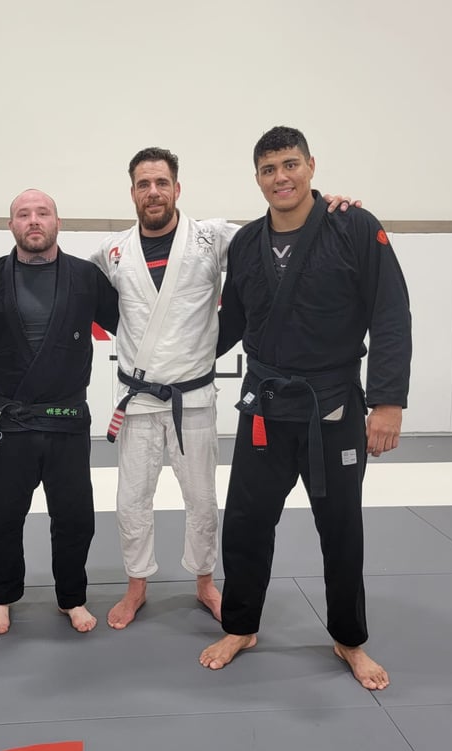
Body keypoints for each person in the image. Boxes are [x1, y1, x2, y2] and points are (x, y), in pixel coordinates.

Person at [91, 148, 356, 630]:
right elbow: (82, 292)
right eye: (144, 184)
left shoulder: (212, 237)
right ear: (132, 192)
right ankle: (136, 586)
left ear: (177, 188)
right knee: (131, 500)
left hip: (193, 399)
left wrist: (328, 209)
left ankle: (205, 581)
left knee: (202, 500)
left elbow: (282, 230)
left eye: (162, 182)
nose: (154, 192)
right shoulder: (112, 251)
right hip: (139, 398)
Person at [199, 126, 412, 691]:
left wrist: (387, 403)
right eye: (269, 169)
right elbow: (230, 324)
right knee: (245, 525)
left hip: (333, 409)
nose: (281, 178)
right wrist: (170, 361)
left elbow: (390, 314)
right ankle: (241, 626)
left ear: (311, 166)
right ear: (257, 178)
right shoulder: (247, 242)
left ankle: (348, 638)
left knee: (341, 530)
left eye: (290, 164)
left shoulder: (354, 227)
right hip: (264, 409)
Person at [0, 189, 119, 636]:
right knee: (3, 519)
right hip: (8, 422)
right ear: (11, 225)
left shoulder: (86, 277)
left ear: (58, 222)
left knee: (75, 518)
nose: (33, 220)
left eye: (42, 213)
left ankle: (71, 597)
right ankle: (2, 597)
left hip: (67, 421)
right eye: (23, 214)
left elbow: (131, 328)